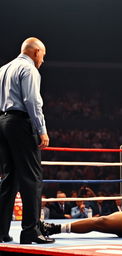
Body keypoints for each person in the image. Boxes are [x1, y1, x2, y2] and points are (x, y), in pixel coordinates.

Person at [0, 37, 54, 244]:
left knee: (10, 178)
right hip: (19, 122)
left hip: (2, 123)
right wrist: (42, 130)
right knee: (32, 178)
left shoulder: (4, 69)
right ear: (36, 51)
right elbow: (31, 100)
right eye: (43, 55)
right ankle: (30, 231)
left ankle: (1, 232)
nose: (43, 60)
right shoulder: (29, 69)